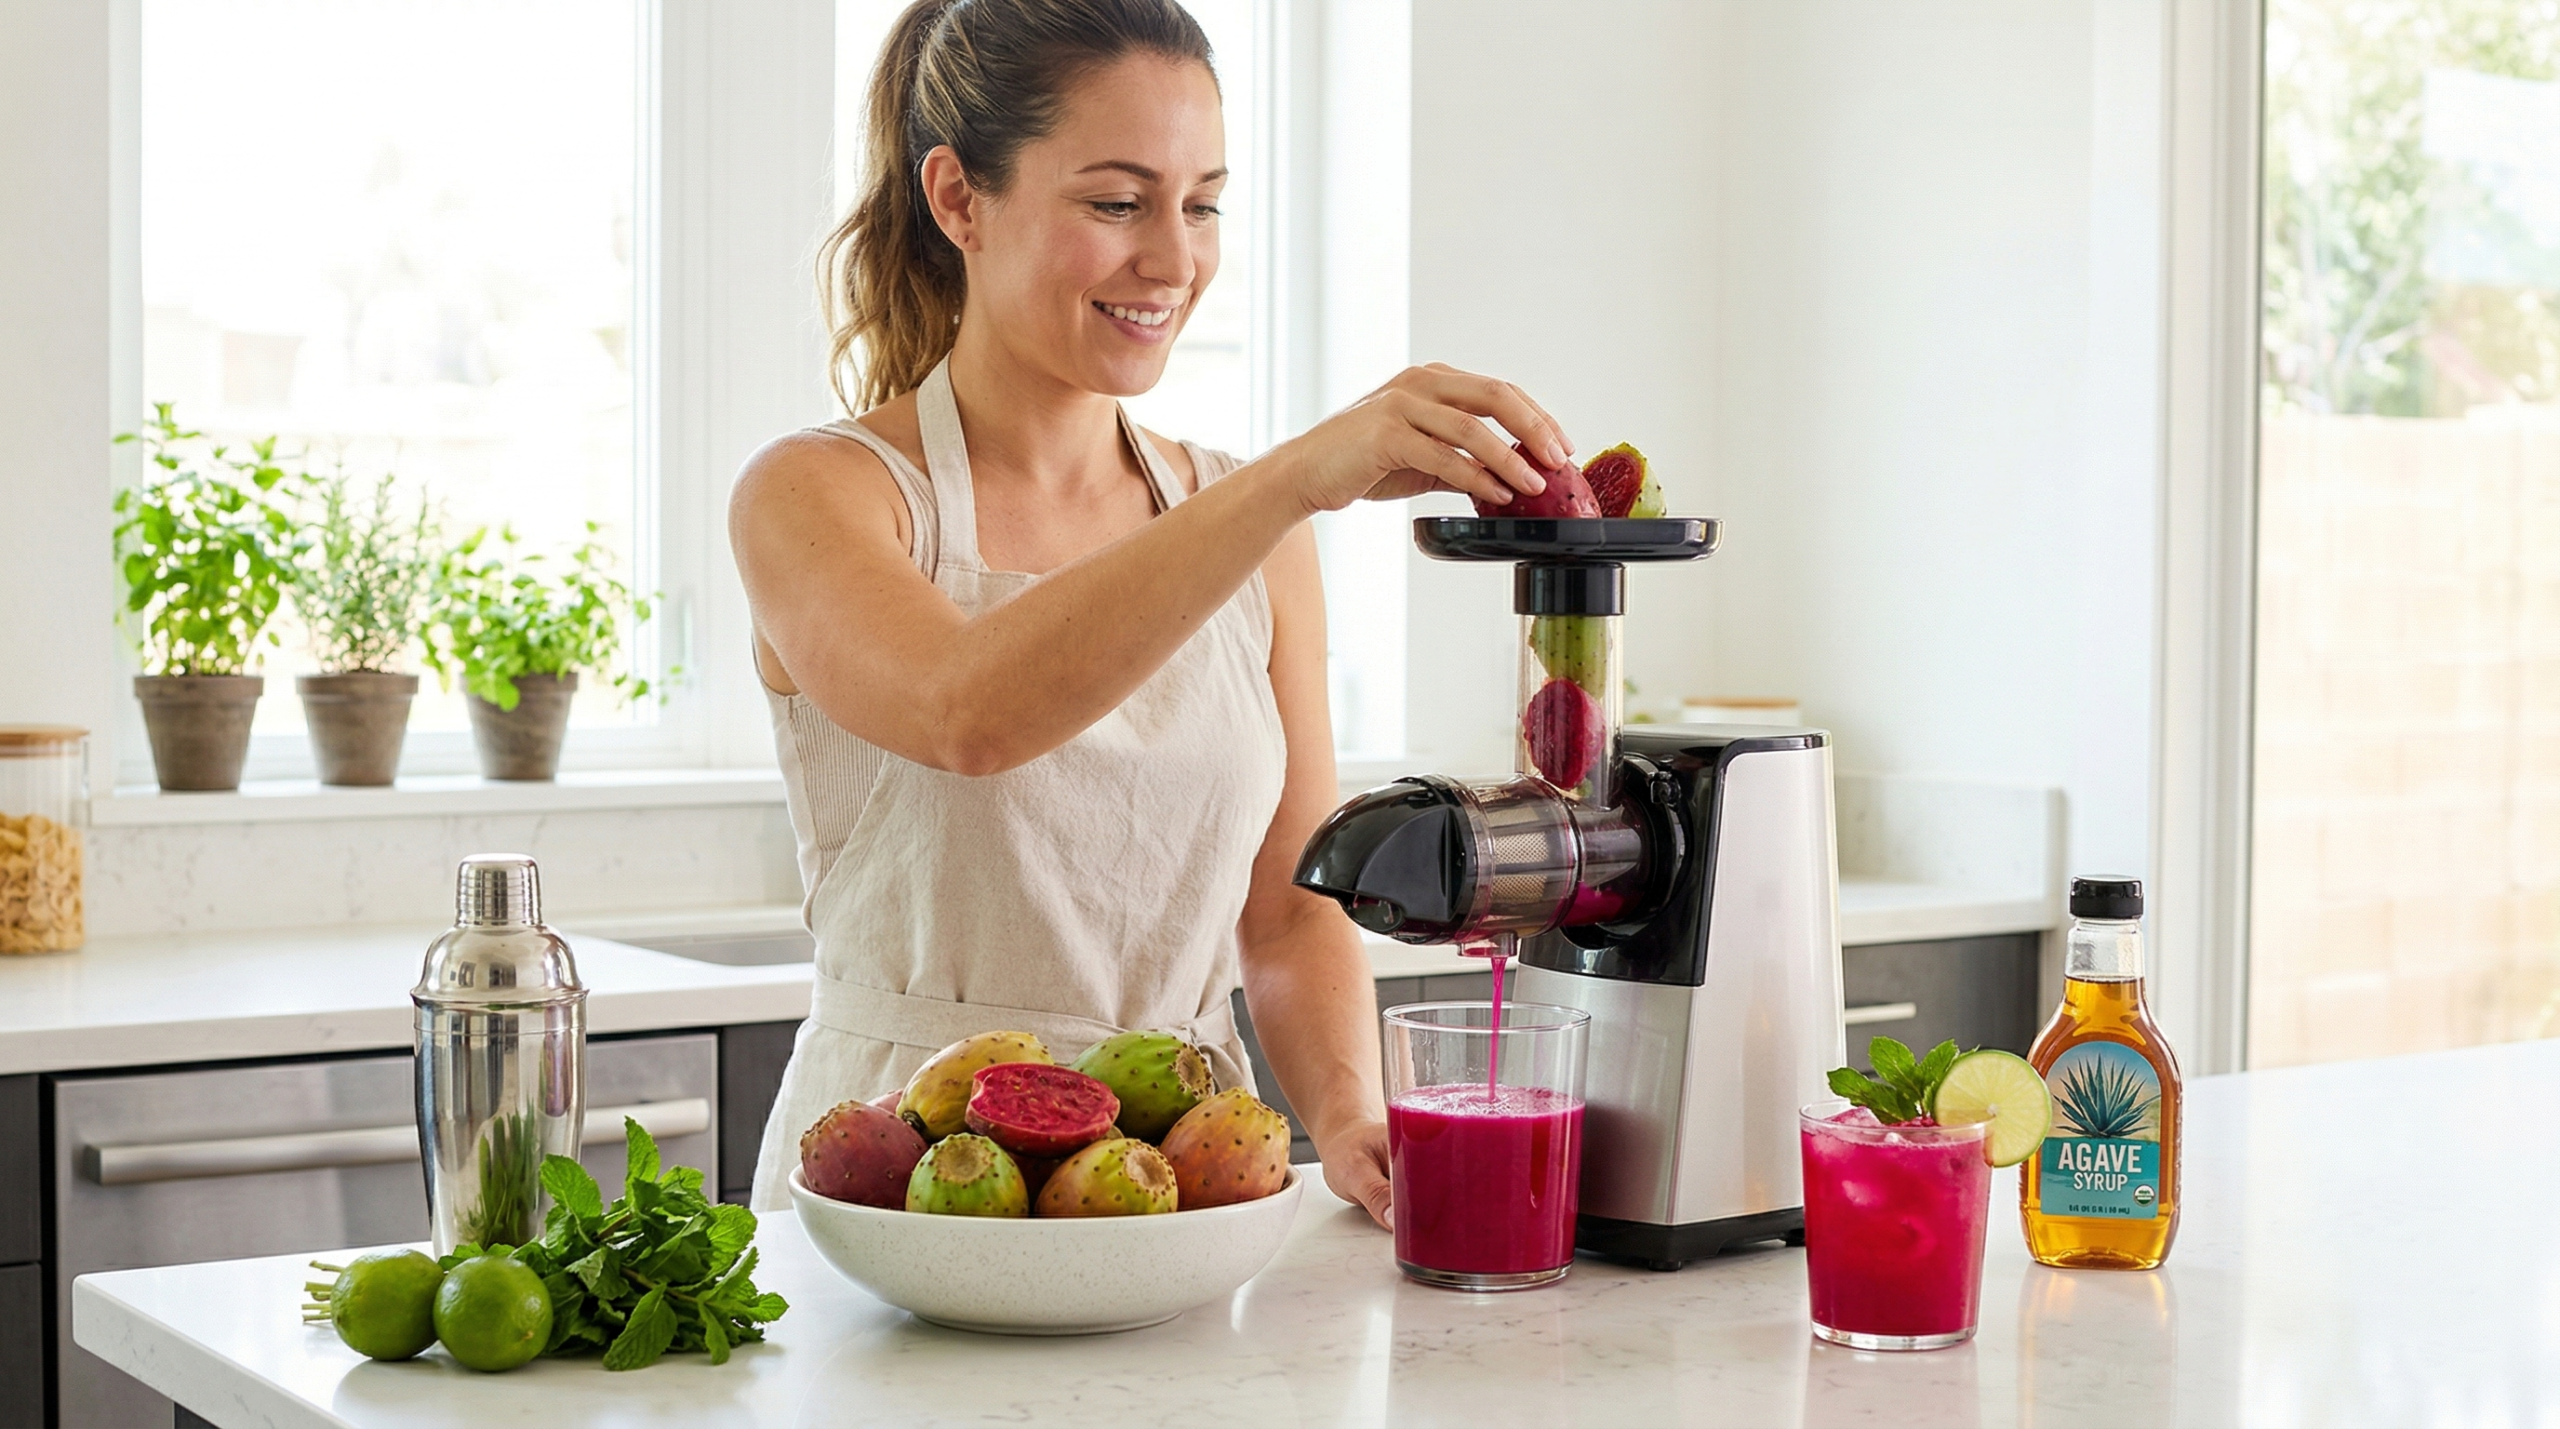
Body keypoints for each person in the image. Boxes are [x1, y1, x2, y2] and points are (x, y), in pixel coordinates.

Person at [730, 0, 1571, 1227]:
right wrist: (1295, 478)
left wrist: (1344, 1113)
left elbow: (1285, 909)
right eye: (1117, 203)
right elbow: (967, 711)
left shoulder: (1245, 520)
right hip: (899, 1191)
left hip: (1178, 1186)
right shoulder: (823, 493)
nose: (1174, 261)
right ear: (959, 199)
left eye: (1204, 203)